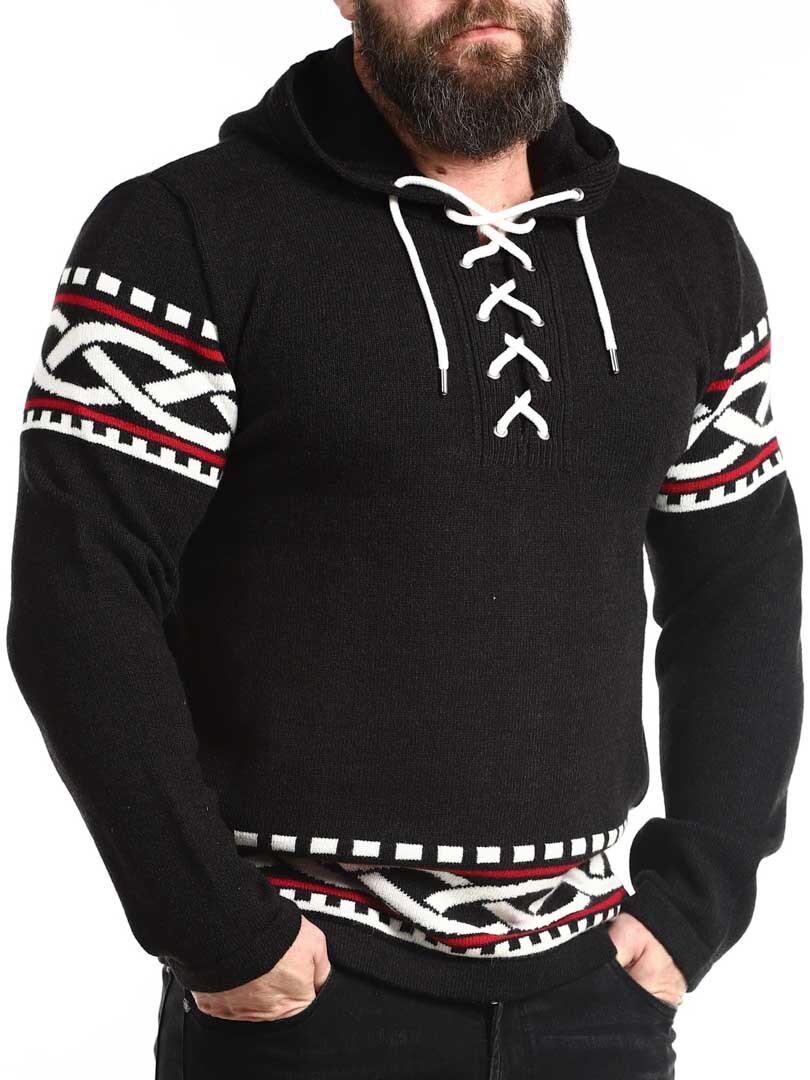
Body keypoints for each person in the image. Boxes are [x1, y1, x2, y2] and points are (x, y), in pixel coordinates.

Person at [6, 1, 803, 1077]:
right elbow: (81, 592)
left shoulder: (687, 251)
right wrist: (216, 928)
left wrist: (697, 900)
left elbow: (741, 589)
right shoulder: (185, 230)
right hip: (303, 1001)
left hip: (596, 1002)